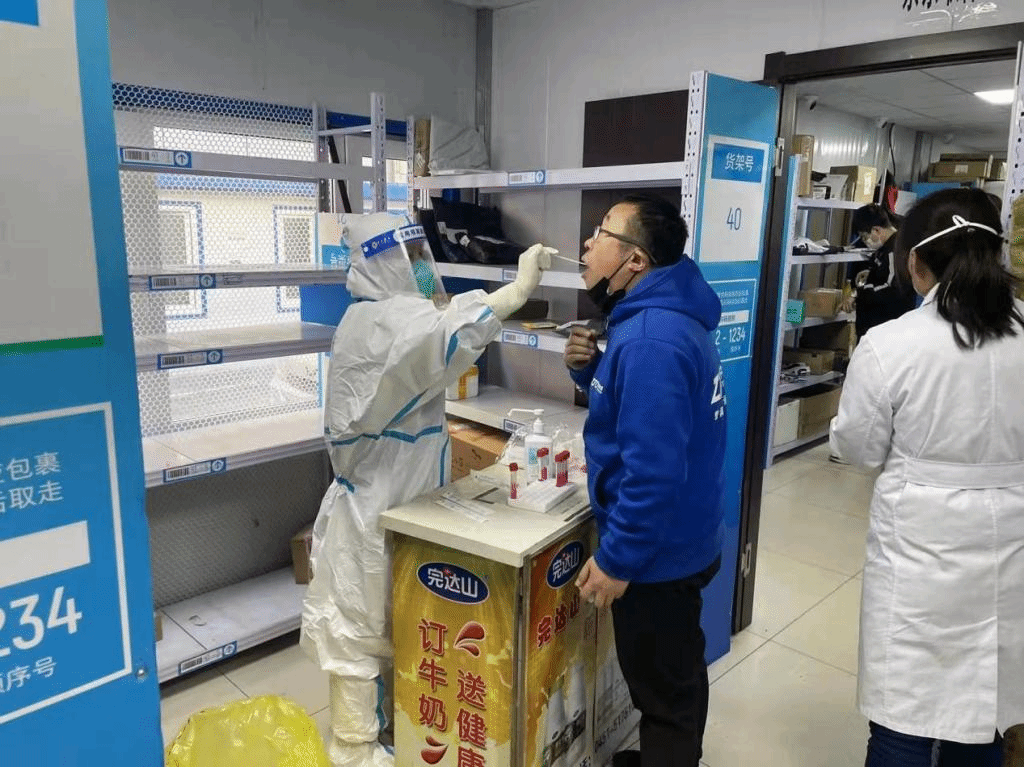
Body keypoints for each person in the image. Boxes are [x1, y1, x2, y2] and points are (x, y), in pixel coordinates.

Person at [301, 210, 556, 767]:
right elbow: (444, 334)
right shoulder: (373, 324)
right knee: (358, 632)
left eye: (424, 255)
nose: (422, 267)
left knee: (405, 622)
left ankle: (399, 729)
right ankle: (353, 750)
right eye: (411, 257)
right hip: (373, 506)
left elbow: (437, 333)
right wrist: (513, 292)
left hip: (410, 502)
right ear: (381, 263)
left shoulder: (400, 316)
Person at [830, 187, 1024, 767]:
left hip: (920, 551)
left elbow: (860, 450)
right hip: (1011, 545)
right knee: (985, 713)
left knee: (904, 717)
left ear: (915, 263)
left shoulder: (893, 344)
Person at [564, 194, 726, 767]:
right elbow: (644, 413)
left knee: (664, 700)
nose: (588, 243)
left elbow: (653, 472)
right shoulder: (661, 318)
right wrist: (589, 370)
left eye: (602, 232)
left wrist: (618, 560)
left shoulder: (651, 339)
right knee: (677, 671)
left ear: (635, 260)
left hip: (658, 556)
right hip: (687, 534)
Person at [847, 203, 917, 339]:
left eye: (864, 237)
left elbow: (893, 290)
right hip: (876, 328)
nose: (865, 242)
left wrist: (860, 295)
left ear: (877, 230)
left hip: (886, 329)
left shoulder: (895, 251)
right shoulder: (884, 250)